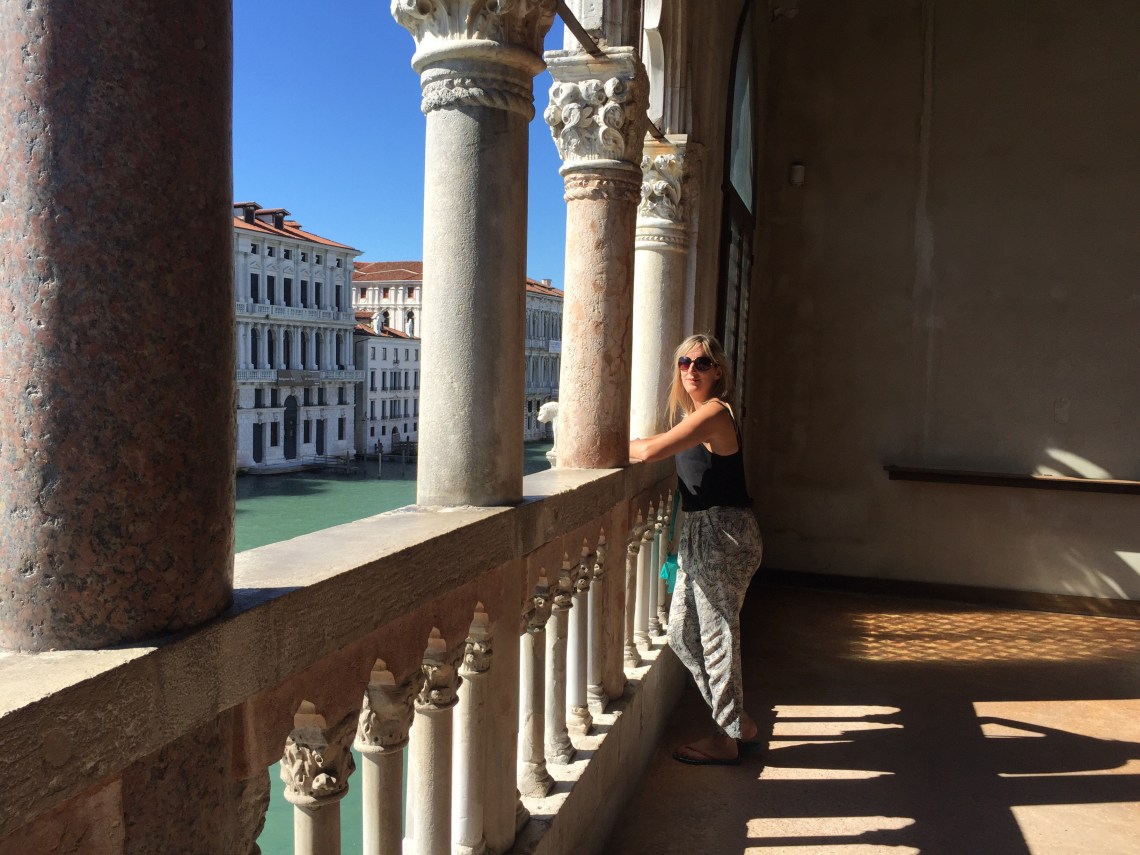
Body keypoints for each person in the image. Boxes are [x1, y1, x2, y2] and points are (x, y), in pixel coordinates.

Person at [629, 334, 764, 765]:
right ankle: (738, 721)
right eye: (684, 362)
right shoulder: (694, 417)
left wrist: (595, 442)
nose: (691, 370)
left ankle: (726, 738)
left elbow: (650, 450)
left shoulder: (714, 413)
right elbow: (659, 443)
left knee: (716, 636)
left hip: (724, 534)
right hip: (704, 533)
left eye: (702, 363)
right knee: (682, 635)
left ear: (718, 371)